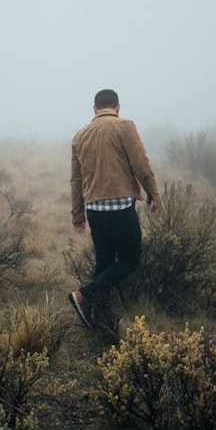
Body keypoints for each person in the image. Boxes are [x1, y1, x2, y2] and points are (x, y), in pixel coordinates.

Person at [69, 89, 161, 334]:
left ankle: (99, 316)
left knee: (104, 262)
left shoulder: (80, 135)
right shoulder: (125, 126)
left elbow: (76, 180)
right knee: (131, 259)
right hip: (120, 207)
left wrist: (78, 215)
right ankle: (83, 295)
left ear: (94, 109)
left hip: (93, 210)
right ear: (117, 107)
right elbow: (141, 165)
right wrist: (154, 193)